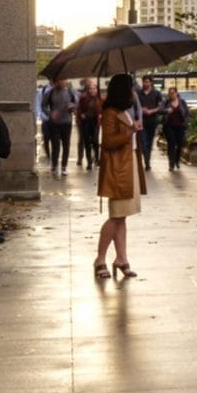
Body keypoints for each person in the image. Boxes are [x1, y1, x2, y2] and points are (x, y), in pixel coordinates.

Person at [95, 73, 145, 279]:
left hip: (127, 165)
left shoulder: (122, 111)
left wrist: (132, 128)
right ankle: (100, 259)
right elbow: (108, 141)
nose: (133, 91)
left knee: (122, 217)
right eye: (130, 87)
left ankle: (121, 258)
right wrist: (130, 131)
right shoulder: (109, 112)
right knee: (116, 217)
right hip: (118, 169)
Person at [42, 78, 77, 174]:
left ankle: (64, 166)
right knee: (55, 145)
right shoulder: (50, 93)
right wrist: (50, 113)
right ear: (55, 82)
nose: (62, 82)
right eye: (60, 80)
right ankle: (54, 165)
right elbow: (43, 105)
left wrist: (72, 107)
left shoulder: (70, 92)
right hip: (55, 123)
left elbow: (76, 104)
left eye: (64, 80)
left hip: (67, 122)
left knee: (66, 144)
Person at [136, 76, 162, 170]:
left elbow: (160, 107)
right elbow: (135, 105)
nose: (145, 84)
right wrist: (141, 109)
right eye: (144, 82)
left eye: (147, 82)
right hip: (141, 121)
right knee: (143, 141)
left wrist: (152, 111)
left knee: (150, 142)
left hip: (152, 120)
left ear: (151, 83)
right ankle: (146, 160)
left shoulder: (157, 93)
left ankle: (147, 161)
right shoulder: (138, 93)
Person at [76, 79, 102, 169]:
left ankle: (97, 158)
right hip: (86, 122)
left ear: (97, 89)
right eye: (91, 89)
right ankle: (89, 161)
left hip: (95, 122)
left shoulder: (100, 99)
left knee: (95, 141)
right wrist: (81, 115)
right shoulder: (83, 98)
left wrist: (101, 115)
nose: (92, 90)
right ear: (88, 89)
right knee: (87, 142)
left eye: (94, 89)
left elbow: (102, 110)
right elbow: (79, 109)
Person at [162, 87, 188, 171]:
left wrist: (185, 123)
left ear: (176, 93)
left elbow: (187, 112)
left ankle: (177, 160)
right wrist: (166, 111)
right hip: (169, 126)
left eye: (173, 93)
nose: (171, 95)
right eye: (169, 93)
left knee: (180, 145)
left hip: (180, 126)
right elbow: (160, 110)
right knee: (171, 144)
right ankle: (171, 163)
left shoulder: (182, 102)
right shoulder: (166, 102)